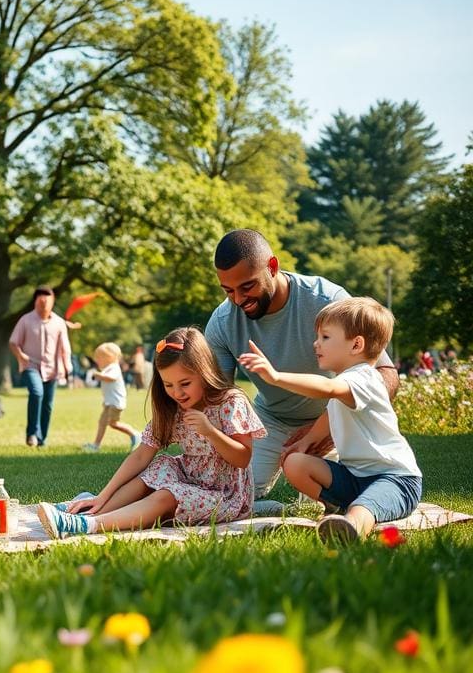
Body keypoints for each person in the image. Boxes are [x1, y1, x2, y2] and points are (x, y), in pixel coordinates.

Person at [204, 229, 399, 513]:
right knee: (229, 497)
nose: (237, 300)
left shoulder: (327, 300)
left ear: (272, 267)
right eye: (228, 291)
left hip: (337, 421)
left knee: (363, 498)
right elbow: (218, 398)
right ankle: (280, 510)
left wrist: (328, 428)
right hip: (270, 421)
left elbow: (385, 374)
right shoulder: (222, 322)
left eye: (247, 287)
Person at [37, 327, 265, 538]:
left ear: (204, 372)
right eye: (168, 385)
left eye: (185, 383)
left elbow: (243, 458)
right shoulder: (173, 408)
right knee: (159, 466)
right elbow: (141, 455)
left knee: (166, 494)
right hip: (189, 479)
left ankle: (88, 525)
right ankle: (89, 509)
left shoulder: (230, 402)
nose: (177, 393)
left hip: (224, 496)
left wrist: (211, 432)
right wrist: (103, 494)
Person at [238, 298, 422, 543]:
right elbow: (329, 414)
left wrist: (276, 377)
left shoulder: (364, 378)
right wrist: (306, 442)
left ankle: (351, 526)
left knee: (365, 506)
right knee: (295, 463)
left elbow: (327, 388)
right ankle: (334, 508)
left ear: (356, 344)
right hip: (353, 477)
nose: (316, 344)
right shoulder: (346, 381)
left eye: (325, 337)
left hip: (395, 479)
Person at [9, 286, 72, 447]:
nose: (43, 303)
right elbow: (13, 342)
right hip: (31, 365)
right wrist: (20, 355)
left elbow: (65, 348)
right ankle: (31, 434)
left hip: (52, 369)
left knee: (48, 405)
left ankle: (42, 439)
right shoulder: (25, 320)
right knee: (37, 393)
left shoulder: (59, 323)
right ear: (35, 301)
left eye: (47, 300)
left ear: (52, 302)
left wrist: (67, 367)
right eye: (40, 300)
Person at [83, 342, 141, 452]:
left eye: (99, 358)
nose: (96, 360)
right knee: (103, 422)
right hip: (109, 402)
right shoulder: (107, 368)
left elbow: (111, 378)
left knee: (113, 423)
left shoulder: (114, 368)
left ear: (109, 358)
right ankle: (96, 445)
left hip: (116, 402)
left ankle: (135, 434)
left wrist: (98, 375)